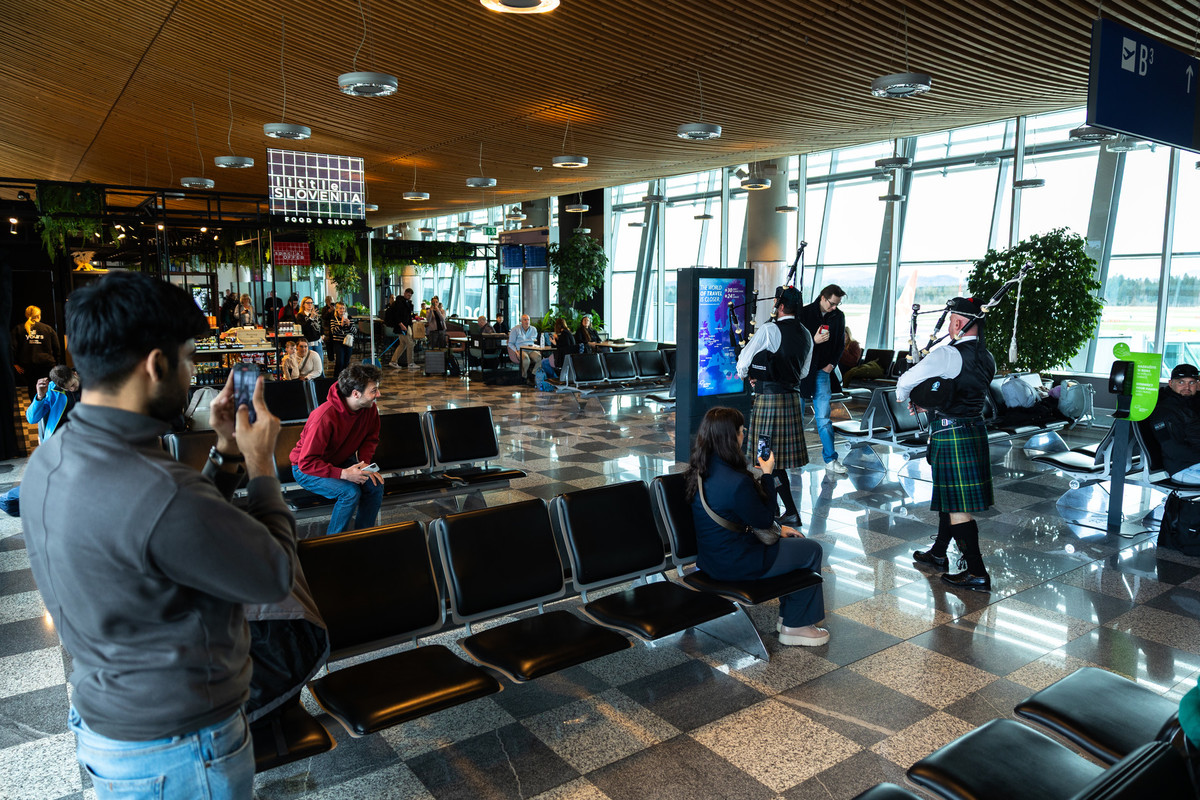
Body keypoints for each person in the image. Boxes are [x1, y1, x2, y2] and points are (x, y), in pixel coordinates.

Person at [21, 270, 297, 797]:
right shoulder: (157, 487)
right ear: (156, 365)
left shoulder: (51, 459)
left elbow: (164, 538)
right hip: (181, 746)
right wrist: (262, 462)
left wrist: (227, 455)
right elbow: (273, 574)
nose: (192, 375)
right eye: (189, 359)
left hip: (111, 722)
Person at [684, 406, 829, 646]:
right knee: (811, 550)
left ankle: (790, 617)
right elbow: (764, 519)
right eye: (741, 430)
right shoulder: (736, 481)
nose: (744, 434)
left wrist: (779, 529)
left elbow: (738, 516)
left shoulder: (700, 470)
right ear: (731, 438)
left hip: (712, 560)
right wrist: (768, 474)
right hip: (738, 564)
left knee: (792, 544)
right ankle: (796, 626)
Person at [896, 296, 996, 592]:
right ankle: (939, 553)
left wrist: (910, 398)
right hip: (974, 429)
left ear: (959, 322)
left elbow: (905, 382)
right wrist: (932, 401)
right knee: (950, 497)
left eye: (953, 320)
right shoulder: (987, 356)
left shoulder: (947, 354)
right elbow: (962, 390)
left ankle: (976, 572)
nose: (950, 325)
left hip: (951, 433)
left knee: (957, 506)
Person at [735, 287, 813, 526]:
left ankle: (785, 511)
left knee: (766, 457)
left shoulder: (769, 329)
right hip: (791, 400)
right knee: (772, 461)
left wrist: (749, 375)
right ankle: (784, 510)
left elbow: (743, 361)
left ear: (780, 306)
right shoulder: (806, 334)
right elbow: (803, 372)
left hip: (769, 402)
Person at [290, 364, 384, 536]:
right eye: (373, 390)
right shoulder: (324, 417)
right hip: (306, 469)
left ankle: (364, 537)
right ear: (356, 394)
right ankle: (334, 542)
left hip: (339, 461)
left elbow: (370, 438)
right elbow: (306, 463)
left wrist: (364, 463)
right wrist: (343, 474)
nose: (378, 394)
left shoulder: (370, 409)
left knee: (375, 486)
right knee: (350, 492)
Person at [0, 365, 80, 517]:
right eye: (67, 388)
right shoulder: (52, 390)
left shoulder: (91, 387)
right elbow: (32, 418)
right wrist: (40, 397)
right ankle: (8, 500)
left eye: (73, 385)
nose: (71, 389)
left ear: (75, 374)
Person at [798, 284, 848, 474]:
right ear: (822, 298)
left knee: (824, 418)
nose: (834, 307)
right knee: (797, 418)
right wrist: (814, 340)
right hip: (803, 371)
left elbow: (840, 344)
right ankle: (795, 457)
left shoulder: (838, 316)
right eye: (831, 303)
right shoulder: (804, 313)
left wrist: (831, 365)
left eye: (837, 304)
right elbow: (796, 343)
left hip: (822, 370)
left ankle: (831, 459)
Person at [1146, 363, 1200, 484]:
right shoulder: (1163, 411)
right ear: (1171, 384)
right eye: (1181, 382)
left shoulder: (1193, 403)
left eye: (1191, 382)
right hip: (1184, 468)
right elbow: (1172, 449)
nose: (1187, 387)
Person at [11, 305, 62, 401]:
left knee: (32, 389)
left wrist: (15, 364)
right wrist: (57, 363)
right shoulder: (48, 329)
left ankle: (36, 408)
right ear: (38, 316)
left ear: (27, 315)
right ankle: (48, 409)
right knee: (48, 389)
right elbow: (57, 348)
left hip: (27, 367)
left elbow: (12, 348)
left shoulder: (18, 329)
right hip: (47, 365)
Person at [386, 288, 417, 370]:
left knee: (403, 344)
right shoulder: (400, 303)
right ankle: (410, 363)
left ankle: (393, 361)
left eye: (410, 295)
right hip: (402, 327)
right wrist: (401, 324)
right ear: (405, 293)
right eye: (408, 294)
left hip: (405, 326)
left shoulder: (407, 303)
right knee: (410, 344)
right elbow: (397, 315)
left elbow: (408, 315)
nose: (409, 296)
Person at [508, 313, 542, 385]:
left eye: (528, 320)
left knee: (539, 358)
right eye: (525, 320)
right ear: (521, 321)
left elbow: (534, 341)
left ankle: (532, 375)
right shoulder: (515, 329)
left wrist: (537, 348)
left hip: (531, 349)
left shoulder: (533, 329)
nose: (527, 321)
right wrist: (516, 352)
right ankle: (524, 377)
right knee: (526, 359)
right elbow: (510, 343)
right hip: (521, 349)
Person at [329, 301, 355, 377]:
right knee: (339, 362)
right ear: (337, 309)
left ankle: (345, 378)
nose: (342, 310)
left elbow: (355, 331)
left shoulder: (349, 318)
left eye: (343, 308)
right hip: (338, 342)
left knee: (346, 362)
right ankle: (336, 378)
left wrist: (349, 325)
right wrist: (341, 325)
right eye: (340, 308)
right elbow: (333, 331)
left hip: (348, 342)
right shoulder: (333, 319)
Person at [297, 295, 324, 364]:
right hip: (307, 342)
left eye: (311, 303)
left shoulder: (315, 314)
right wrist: (311, 318)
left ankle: (320, 372)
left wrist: (322, 334)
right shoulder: (300, 315)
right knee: (308, 362)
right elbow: (304, 328)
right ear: (303, 304)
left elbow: (320, 325)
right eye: (308, 303)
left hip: (317, 340)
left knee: (319, 361)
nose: (310, 304)